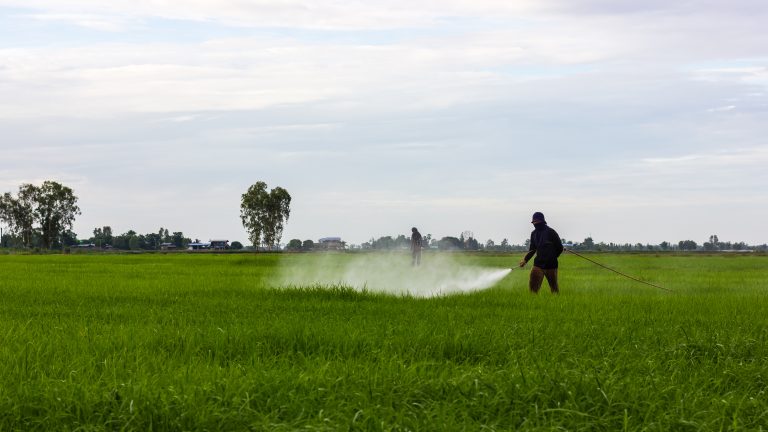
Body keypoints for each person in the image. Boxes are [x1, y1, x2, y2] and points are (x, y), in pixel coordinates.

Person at [519, 212, 564, 294]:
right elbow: (532, 250)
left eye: (537, 222)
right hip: (538, 264)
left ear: (542, 221)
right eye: (534, 222)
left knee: (554, 289)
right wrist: (525, 260)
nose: (535, 224)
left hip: (551, 265)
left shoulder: (551, 232)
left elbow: (560, 248)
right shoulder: (533, 234)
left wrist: (552, 257)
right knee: (533, 289)